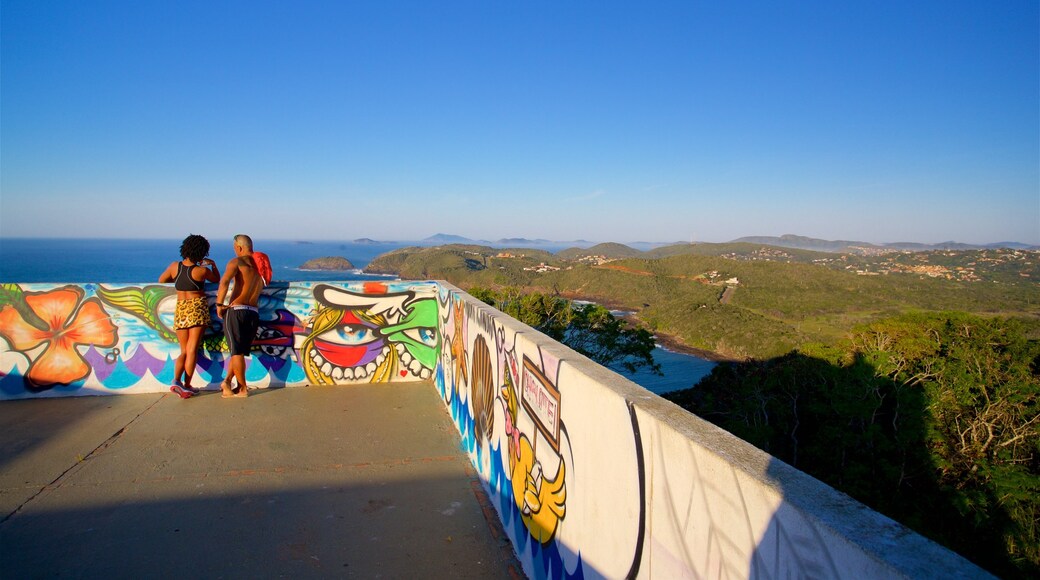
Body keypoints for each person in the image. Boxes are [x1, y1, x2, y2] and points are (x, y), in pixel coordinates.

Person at [158, 234, 220, 398]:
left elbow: (161, 280)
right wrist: (212, 265)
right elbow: (217, 279)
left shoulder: (174, 267)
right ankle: (187, 385)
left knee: (184, 350)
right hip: (197, 307)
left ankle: (175, 380)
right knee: (192, 350)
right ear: (202, 252)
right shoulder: (201, 271)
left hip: (181, 308)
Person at [215, 234, 264, 398]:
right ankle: (227, 382)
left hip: (237, 311)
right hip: (253, 313)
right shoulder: (260, 267)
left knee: (236, 352)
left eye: (234, 248)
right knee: (239, 352)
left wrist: (219, 305)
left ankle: (242, 388)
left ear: (239, 247)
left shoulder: (237, 262)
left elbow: (224, 282)